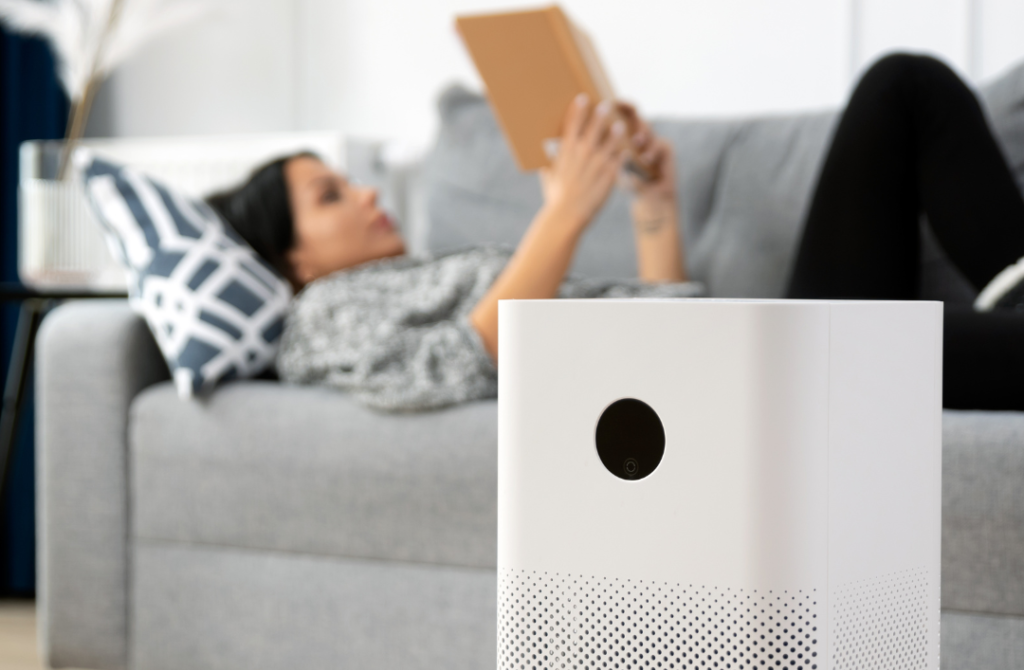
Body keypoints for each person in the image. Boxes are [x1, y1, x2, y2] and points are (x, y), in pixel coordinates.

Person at [209, 53, 1024, 413]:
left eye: (346, 179)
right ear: (294, 259)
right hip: (761, 382)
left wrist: (652, 205)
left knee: (902, 89)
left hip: (748, 349)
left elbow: (657, 314)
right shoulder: (318, 321)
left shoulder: (416, 272)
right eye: (329, 196)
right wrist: (562, 213)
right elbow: (455, 366)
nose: (364, 194)